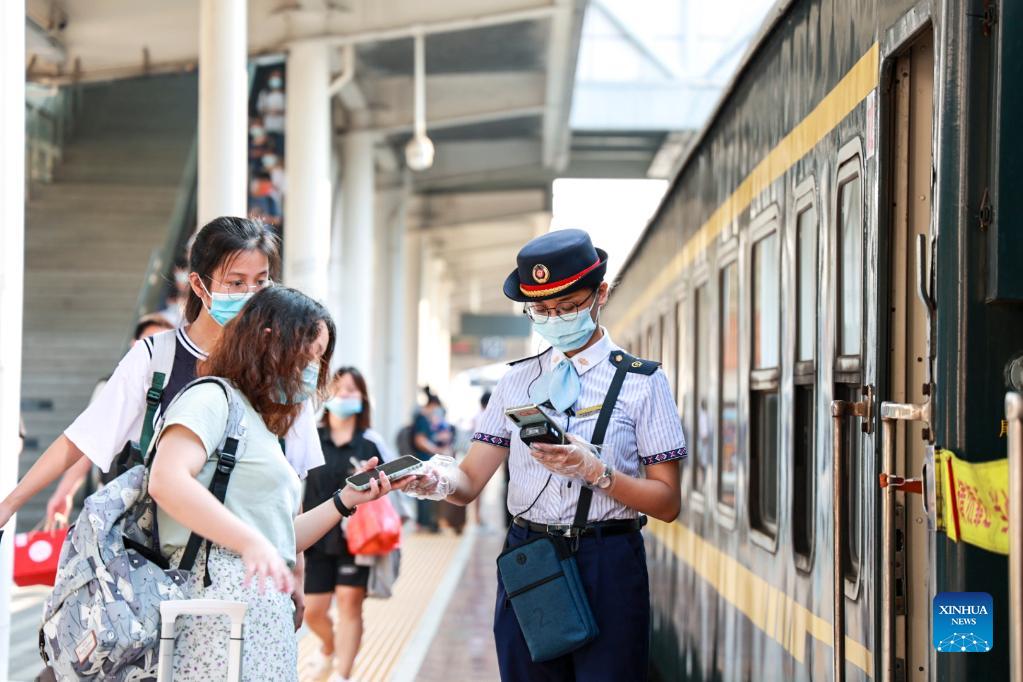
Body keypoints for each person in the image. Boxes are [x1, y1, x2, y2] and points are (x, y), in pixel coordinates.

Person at [0, 216, 324, 627]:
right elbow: (83, 437)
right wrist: (10, 504)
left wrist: (297, 575)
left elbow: (288, 482)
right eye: (236, 282)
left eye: (261, 282)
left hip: (250, 581)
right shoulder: (157, 358)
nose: (250, 295)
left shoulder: (280, 365)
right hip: (156, 577)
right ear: (199, 285)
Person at [405, 229, 687, 681]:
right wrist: (436, 481)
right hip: (530, 557)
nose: (555, 319)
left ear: (601, 294)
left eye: (568, 306)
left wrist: (598, 472)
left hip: (608, 560)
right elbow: (470, 481)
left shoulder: (641, 382)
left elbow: (668, 502)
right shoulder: (516, 381)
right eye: (541, 310)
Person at [148, 287, 411, 682]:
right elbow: (166, 480)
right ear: (268, 340)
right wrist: (249, 542)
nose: (313, 369)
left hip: (260, 627)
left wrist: (345, 500)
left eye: (319, 359)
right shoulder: (212, 399)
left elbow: (280, 538)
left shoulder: (263, 425)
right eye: (309, 355)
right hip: (212, 622)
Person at [303, 367, 396, 681]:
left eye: (351, 389)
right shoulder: (310, 437)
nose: (344, 394)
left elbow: (393, 487)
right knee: (313, 610)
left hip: (358, 538)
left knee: (349, 603)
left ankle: (343, 675)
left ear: (363, 398)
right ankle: (329, 647)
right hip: (314, 535)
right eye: (338, 388)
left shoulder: (370, 443)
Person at [410, 391, 451, 532]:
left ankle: (426, 523)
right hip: (422, 460)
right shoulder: (422, 419)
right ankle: (423, 523)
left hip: (425, 461)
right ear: (433, 405)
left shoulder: (425, 419)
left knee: (425, 491)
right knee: (423, 491)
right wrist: (437, 450)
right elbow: (420, 440)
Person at [256, 70, 286, 153]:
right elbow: (260, 109)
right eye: (274, 77)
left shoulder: (285, 93)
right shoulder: (264, 93)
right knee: (269, 150)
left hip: (282, 128)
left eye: (278, 77)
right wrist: (269, 111)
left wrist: (279, 112)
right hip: (268, 127)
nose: (275, 79)